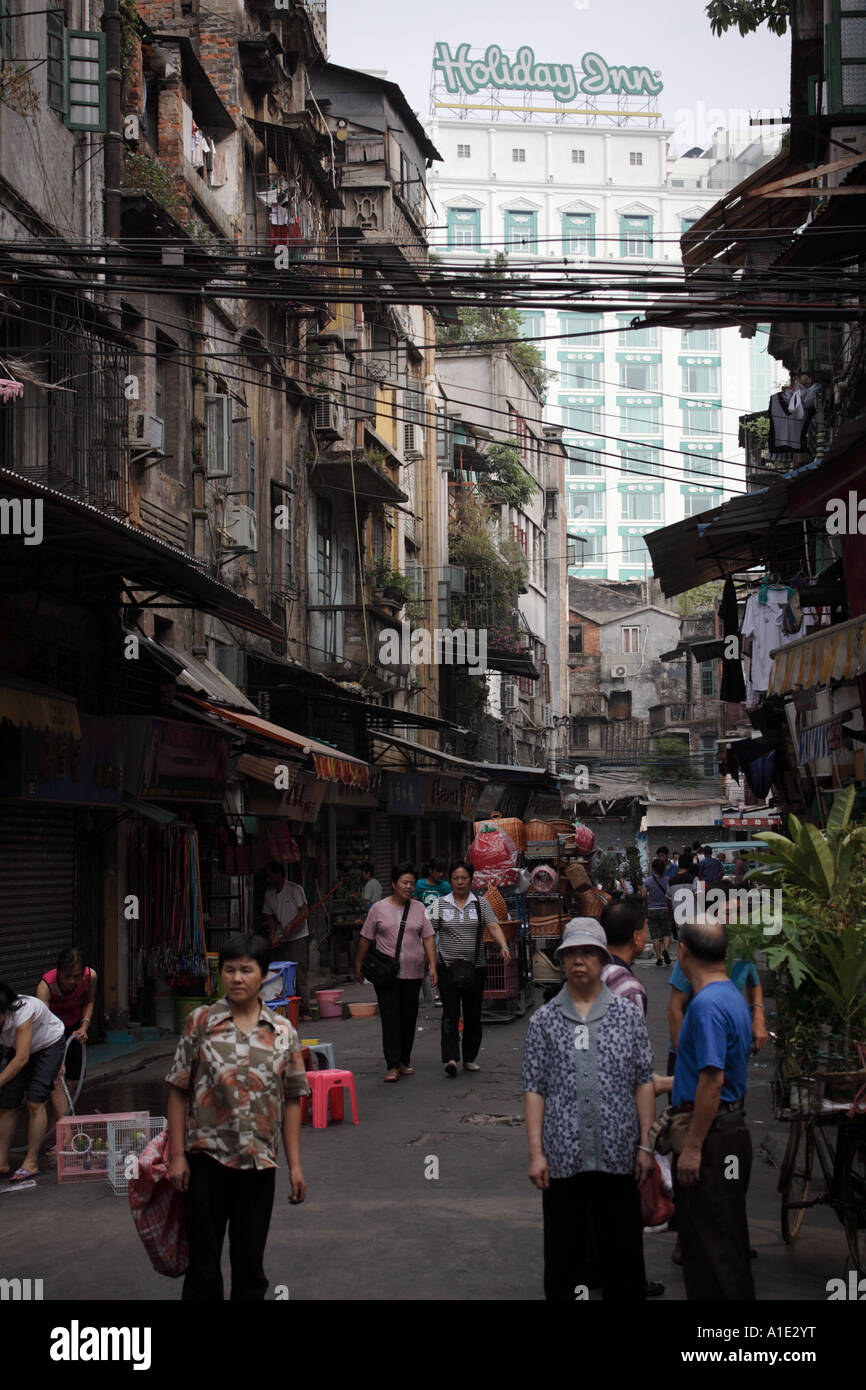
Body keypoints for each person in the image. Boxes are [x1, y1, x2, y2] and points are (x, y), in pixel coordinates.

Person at [165, 933, 308, 1301]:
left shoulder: (282, 1032)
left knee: (250, 1265)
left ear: (264, 976)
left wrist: (294, 1166)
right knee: (203, 1266)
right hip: (205, 1161)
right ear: (220, 975)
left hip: (258, 1163)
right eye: (229, 970)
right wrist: (177, 1156)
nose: (237, 978)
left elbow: (293, 1098)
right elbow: (179, 1088)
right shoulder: (200, 1022)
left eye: (247, 970)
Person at [522, 918, 655, 1301]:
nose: (579, 960)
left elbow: (643, 1080)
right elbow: (534, 1089)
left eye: (588, 953)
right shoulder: (543, 1021)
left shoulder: (627, 1016)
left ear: (602, 958)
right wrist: (536, 1154)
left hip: (619, 1156)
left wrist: (646, 1143)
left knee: (624, 1257)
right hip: (563, 1159)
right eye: (571, 953)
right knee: (564, 1257)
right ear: (562, 960)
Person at [654, 919, 755, 1301]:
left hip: (715, 1139)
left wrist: (693, 1147)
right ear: (725, 955)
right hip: (725, 1130)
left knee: (717, 1247)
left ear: (682, 953)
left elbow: (713, 1080)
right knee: (714, 1237)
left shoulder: (707, 1005)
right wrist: (668, 1083)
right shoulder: (728, 994)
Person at [426, 860, 512, 1077]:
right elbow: (429, 934)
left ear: (471, 880)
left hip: (476, 967)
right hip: (448, 967)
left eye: (464, 878)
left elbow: (493, 926)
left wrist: (503, 946)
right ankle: (451, 1058)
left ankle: (470, 1058)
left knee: (473, 1014)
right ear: (450, 880)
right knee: (450, 1013)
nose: (460, 882)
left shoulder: (481, 904)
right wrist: (432, 966)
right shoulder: (441, 904)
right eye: (456, 878)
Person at [356, 863, 437, 1082]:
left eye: (411, 883)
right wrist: (358, 964)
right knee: (391, 1018)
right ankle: (392, 1064)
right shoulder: (378, 908)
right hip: (388, 975)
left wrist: (432, 965)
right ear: (393, 884)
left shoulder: (420, 908)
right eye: (404, 882)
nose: (408, 887)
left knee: (409, 1017)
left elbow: (428, 937)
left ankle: (404, 1061)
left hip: (413, 973)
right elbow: (366, 938)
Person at [0, 981, 66, 1182]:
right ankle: (1, 1162)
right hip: (21, 1048)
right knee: (7, 1103)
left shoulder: (23, 1011)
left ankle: (31, 1162)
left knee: (35, 1101)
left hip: (49, 1045)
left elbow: (21, 1059)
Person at [36, 945, 97, 1121]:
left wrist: (84, 1026)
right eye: (67, 976)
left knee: (75, 1081)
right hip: (51, 1031)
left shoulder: (90, 977)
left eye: (76, 976)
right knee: (57, 1079)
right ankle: (64, 1134)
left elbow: (89, 1001)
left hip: (75, 1027)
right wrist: (55, 1055)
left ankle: (63, 1122)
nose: (71, 981)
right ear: (59, 971)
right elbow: (44, 1024)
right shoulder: (46, 986)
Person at [263, 861, 313, 1021]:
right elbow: (269, 916)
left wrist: (292, 925)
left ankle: (305, 1009)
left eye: (270, 875)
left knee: (299, 974)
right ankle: (281, 1008)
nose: (268, 878)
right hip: (280, 937)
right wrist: (273, 934)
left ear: (279, 875)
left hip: (297, 937)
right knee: (277, 974)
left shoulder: (294, 889)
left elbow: (305, 910)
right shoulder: (269, 894)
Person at [600, 897, 649, 1016]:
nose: (646, 937)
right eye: (645, 931)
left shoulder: (591, 969)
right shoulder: (630, 989)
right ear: (636, 936)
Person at [641, 856, 673, 967]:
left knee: (655, 936)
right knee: (667, 933)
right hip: (665, 909)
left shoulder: (648, 881)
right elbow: (671, 896)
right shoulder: (668, 880)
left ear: (653, 869)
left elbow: (644, 895)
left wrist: (646, 903)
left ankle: (659, 958)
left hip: (651, 910)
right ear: (664, 869)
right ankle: (666, 951)